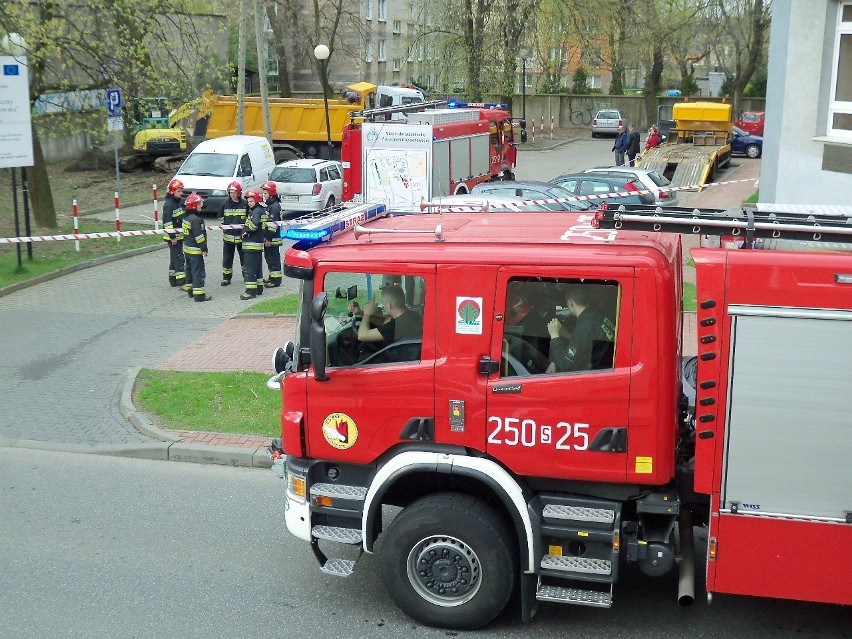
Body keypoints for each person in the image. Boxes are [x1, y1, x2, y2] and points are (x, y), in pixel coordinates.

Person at [547, 285, 615, 372]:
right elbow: (584, 342)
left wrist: (554, 335)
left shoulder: (585, 326)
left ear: (570, 302)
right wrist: (568, 335)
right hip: (607, 364)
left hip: (596, 373)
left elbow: (567, 366)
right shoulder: (596, 312)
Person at [357, 284, 422, 346]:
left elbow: (362, 336)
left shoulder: (395, 327)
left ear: (389, 305)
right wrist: (361, 312)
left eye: (383, 303)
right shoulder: (412, 315)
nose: (383, 306)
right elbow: (383, 321)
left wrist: (367, 315)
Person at [181, 193, 212, 302]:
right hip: (195, 251)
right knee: (198, 272)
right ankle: (199, 295)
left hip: (187, 249)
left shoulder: (186, 218)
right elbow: (199, 237)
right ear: (194, 206)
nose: (201, 206)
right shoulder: (196, 220)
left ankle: (191, 291)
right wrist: (204, 249)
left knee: (189, 271)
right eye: (199, 204)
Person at [240, 189, 265, 300]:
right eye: (248, 201)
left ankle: (250, 291)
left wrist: (246, 232)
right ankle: (259, 288)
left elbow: (254, 225)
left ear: (257, 200)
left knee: (249, 269)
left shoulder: (256, 211)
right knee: (257, 268)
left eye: (251, 201)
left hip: (251, 245)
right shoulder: (258, 210)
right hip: (257, 245)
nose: (249, 203)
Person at [219, 181, 246, 287]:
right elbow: (220, 217)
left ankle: (247, 276)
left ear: (239, 193)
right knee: (227, 259)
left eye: (234, 192)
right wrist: (225, 228)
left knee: (244, 259)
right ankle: (226, 278)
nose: (232, 195)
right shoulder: (224, 204)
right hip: (228, 238)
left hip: (241, 238)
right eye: (230, 192)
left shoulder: (244, 204)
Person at [162, 178, 186, 289]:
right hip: (173, 237)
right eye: (179, 191)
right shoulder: (169, 204)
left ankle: (173, 280)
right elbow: (167, 222)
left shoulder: (178, 202)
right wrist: (172, 237)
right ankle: (182, 282)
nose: (181, 193)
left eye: (181, 191)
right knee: (179, 258)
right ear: (172, 191)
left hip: (178, 236)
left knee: (174, 257)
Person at [260, 180, 283, 288]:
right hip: (271, 239)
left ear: (271, 193)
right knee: (270, 259)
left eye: (265, 193)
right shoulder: (271, 205)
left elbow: (273, 225)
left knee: (273, 259)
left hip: (273, 239)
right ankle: (272, 277)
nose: (263, 195)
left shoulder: (274, 207)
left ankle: (275, 280)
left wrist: (268, 239)